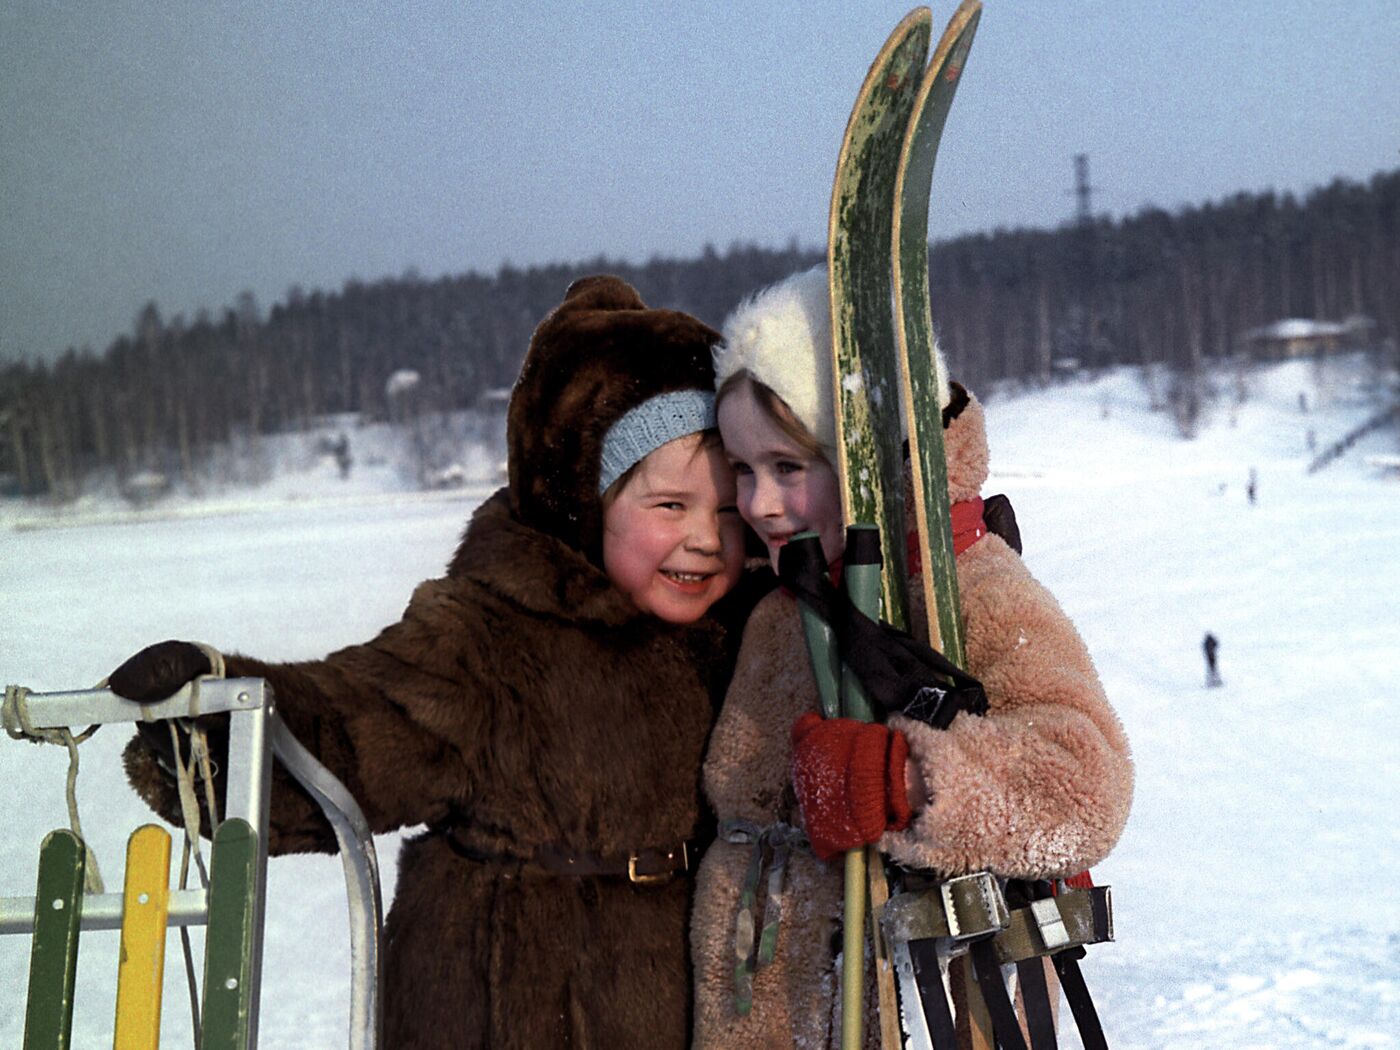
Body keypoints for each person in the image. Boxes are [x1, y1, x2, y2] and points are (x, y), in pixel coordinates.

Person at [110, 276, 753, 1049]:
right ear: (586, 502)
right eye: (670, 507)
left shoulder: (746, 635)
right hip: (504, 1006)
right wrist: (217, 717)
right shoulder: (489, 637)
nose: (707, 538)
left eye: (726, 508)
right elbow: (354, 724)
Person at [689, 267, 1134, 1048]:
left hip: (937, 1010)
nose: (759, 502)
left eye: (789, 467)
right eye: (743, 470)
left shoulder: (968, 583)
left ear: (869, 456)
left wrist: (900, 778)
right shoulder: (779, 608)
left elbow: (1085, 785)